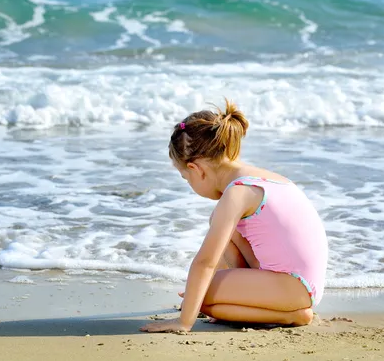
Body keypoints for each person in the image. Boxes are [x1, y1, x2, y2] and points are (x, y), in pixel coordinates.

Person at [140, 99, 328, 333]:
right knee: (218, 237)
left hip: (292, 288)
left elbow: (205, 263)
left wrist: (184, 320)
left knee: (202, 297)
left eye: (186, 179)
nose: (189, 184)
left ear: (195, 169)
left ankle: (294, 315)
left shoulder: (236, 194)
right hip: (303, 284)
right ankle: (259, 303)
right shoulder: (264, 178)